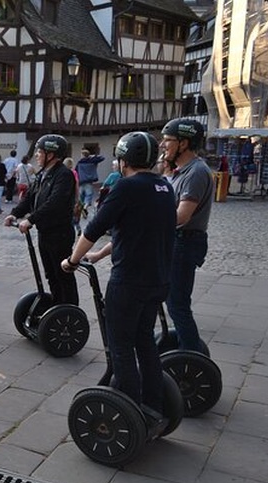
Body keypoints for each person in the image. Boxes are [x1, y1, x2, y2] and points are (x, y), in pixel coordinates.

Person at [61, 131, 176, 425]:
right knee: (145, 342)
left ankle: (130, 411)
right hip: (158, 280)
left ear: (124, 160)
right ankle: (154, 406)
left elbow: (94, 227)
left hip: (129, 283)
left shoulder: (126, 188)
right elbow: (138, 230)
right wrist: (100, 255)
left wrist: (72, 260)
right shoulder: (164, 187)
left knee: (121, 345)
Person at [160, 118, 214, 355]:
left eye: (168, 140)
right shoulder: (181, 171)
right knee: (172, 302)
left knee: (178, 306)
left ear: (184, 143)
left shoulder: (196, 172)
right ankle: (185, 350)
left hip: (184, 242)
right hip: (176, 241)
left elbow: (181, 216)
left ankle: (191, 358)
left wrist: (149, 223)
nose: (163, 145)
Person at [4, 134, 79, 306]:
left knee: (62, 275)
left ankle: (70, 311)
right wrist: (14, 214)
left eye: (40, 152)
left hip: (59, 234)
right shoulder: (42, 174)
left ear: (51, 155)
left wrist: (31, 220)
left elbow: (55, 203)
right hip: (45, 233)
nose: (36, 155)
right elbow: (29, 197)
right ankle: (57, 307)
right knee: (50, 274)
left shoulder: (63, 175)